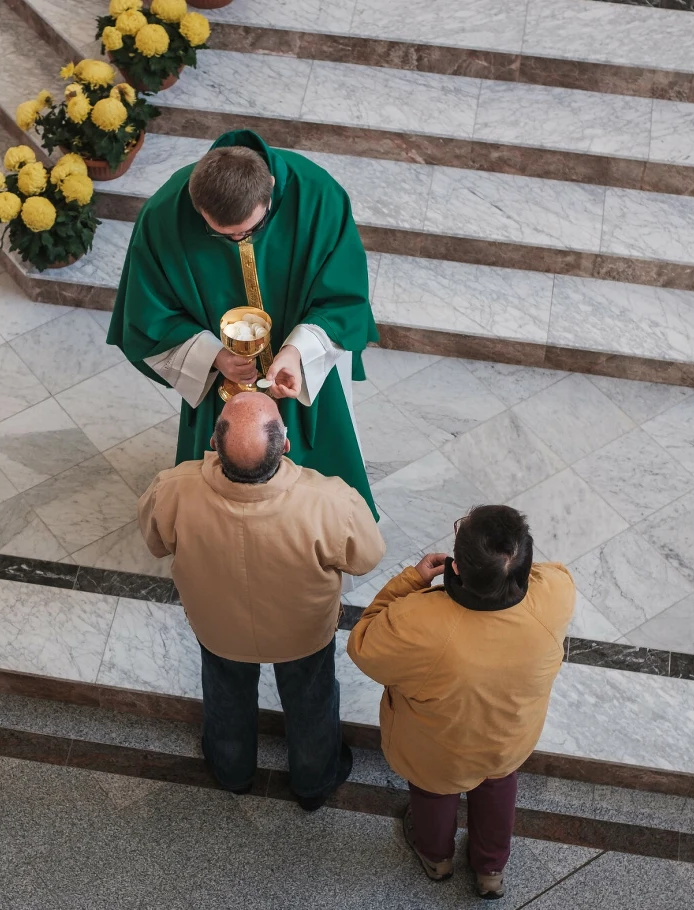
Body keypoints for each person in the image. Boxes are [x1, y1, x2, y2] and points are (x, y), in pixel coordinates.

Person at [107, 129, 378, 517]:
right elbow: (148, 313)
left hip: (304, 370)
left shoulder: (319, 197)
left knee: (319, 482)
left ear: (269, 188)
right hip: (222, 376)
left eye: (248, 232)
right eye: (222, 235)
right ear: (196, 203)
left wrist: (297, 350)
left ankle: (323, 533)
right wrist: (212, 355)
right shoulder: (164, 214)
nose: (238, 242)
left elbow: (345, 297)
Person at [138, 392, 384, 810]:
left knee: (225, 694)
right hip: (303, 631)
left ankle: (232, 772)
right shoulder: (331, 500)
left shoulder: (173, 488)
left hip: (218, 628)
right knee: (311, 701)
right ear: (285, 446)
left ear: (214, 445)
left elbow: (156, 543)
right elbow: (367, 557)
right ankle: (313, 782)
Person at [346, 506, 574, 899]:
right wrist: (507, 571)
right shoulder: (555, 598)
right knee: (499, 786)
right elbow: (549, 574)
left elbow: (363, 643)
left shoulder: (419, 623)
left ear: (455, 569)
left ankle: (436, 858)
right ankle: (490, 869)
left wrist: (411, 581)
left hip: (439, 750)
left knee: (433, 795)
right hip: (507, 739)